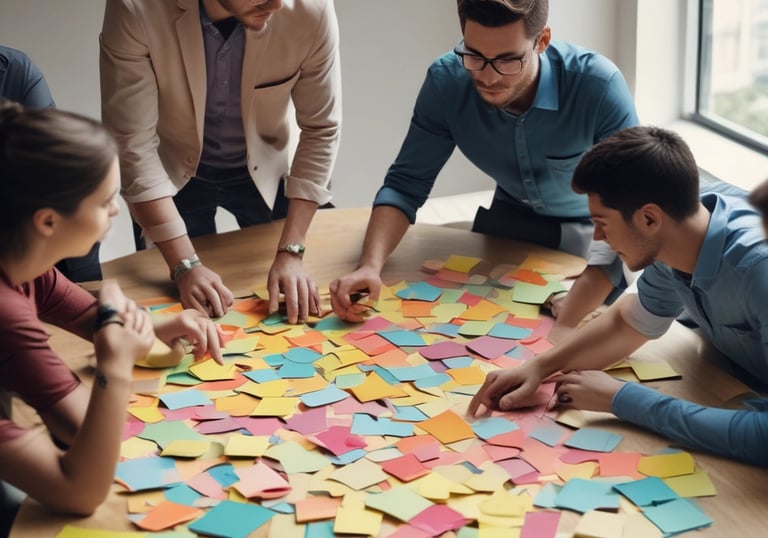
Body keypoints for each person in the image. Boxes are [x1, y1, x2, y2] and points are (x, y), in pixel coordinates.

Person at [467, 125, 768, 467]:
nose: (597, 237)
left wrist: (624, 399)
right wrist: (538, 367)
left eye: (602, 223)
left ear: (649, 218)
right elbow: (629, 321)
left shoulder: (759, 269)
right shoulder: (680, 234)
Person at [329, 0, 637, 322]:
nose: (488, 78)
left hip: (599, 233)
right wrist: (369, 266)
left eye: (508, 60)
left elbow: (630, 202)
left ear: (541, 41)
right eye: (474, 56)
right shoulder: (446, 83)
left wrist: (586, 292)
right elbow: (405, 186)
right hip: (510, 221)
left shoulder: (598, 86)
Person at [0, 102, 223, 521]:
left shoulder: (23, 266)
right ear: (47, 221)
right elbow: (80, 490)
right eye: (105, 201)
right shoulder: (6, 311)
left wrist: (154, 327)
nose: (117, 210)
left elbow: (94, 315)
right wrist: (115, 367)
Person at [100, 0, 341, 323]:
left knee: (299, 297)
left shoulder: (312, 9)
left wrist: (291, 251)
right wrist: (185, 265)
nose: (278, 3)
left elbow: (321, 129)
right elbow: (133, 144)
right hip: (173, 172)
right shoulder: (134, 7)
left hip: (270, 166)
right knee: (190, 308)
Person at [0, 44, 103, 282]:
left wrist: (103, 303)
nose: (114, 209)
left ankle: (82, 281)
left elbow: (54, 159)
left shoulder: (16, 69)